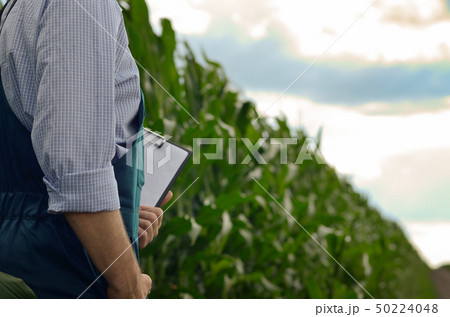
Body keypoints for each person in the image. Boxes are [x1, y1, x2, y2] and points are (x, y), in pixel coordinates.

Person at [0, 0, 169, 298]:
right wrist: (129, 285)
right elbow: (77, 172)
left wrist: (120, 221)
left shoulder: (14, 9)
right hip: (60, 273)